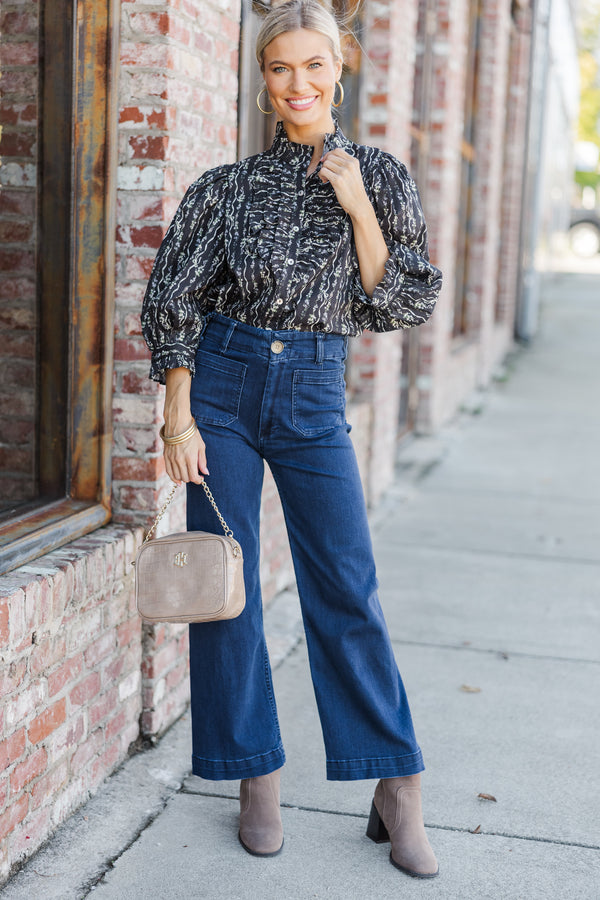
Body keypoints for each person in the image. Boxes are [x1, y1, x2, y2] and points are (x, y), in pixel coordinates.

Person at [142, 0, 442, 879]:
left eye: (314, 65)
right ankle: (253, 775)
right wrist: (178, 412)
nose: (298, 84)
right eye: (281, 69)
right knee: (223, 587)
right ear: (264, 80)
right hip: (225, 389)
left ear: (339, 67)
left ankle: (397, 784)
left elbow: (401, 302)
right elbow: (175, 303)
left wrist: (356, 207)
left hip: (313, 391)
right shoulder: (225, 189)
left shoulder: (379, 177)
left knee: (346, 586)